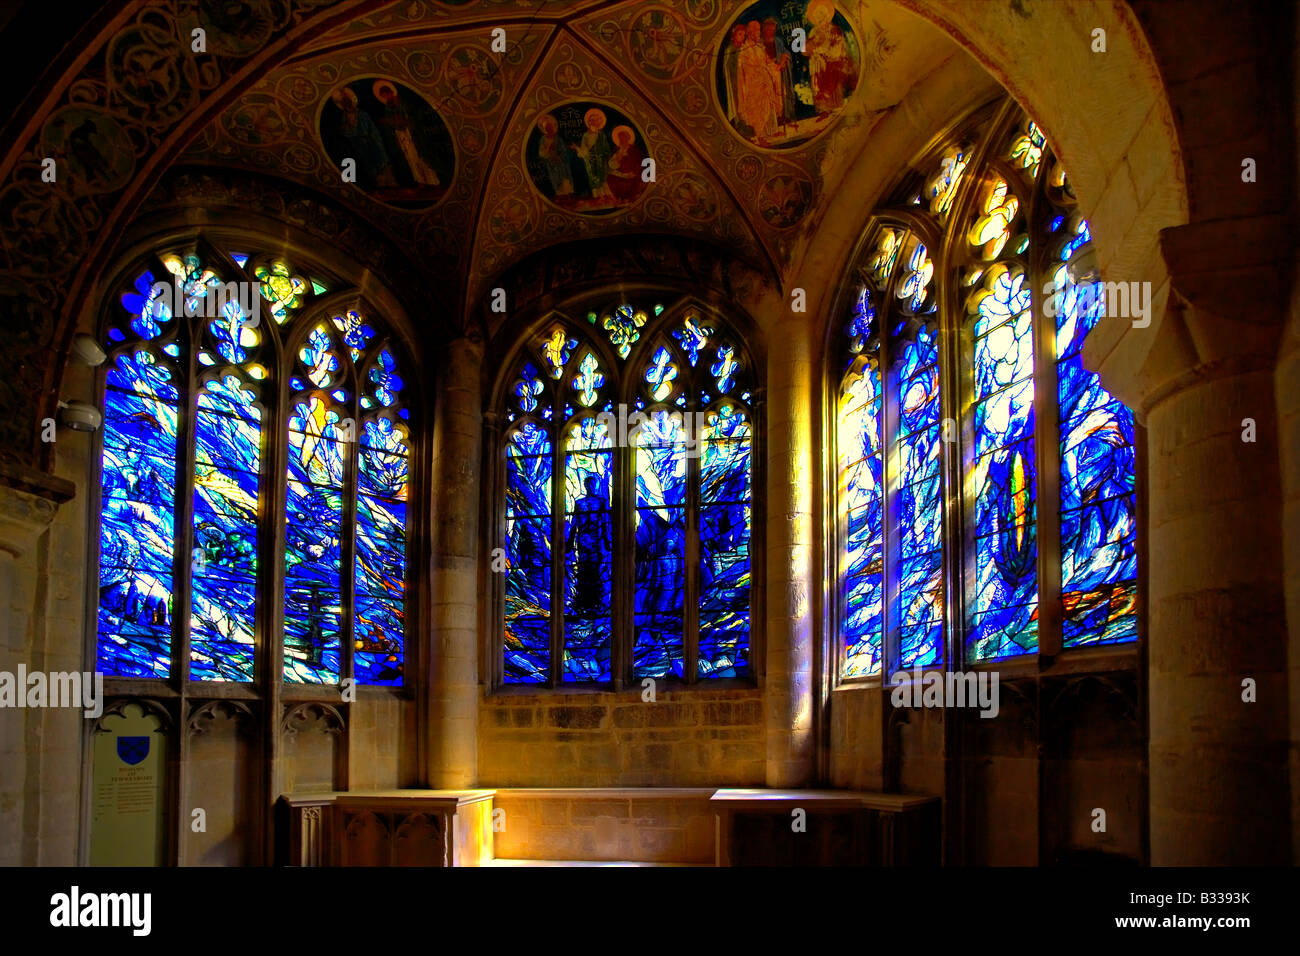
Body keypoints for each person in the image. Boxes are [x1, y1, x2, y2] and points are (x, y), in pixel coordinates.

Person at [373, 80, 440, 187]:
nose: (386, 98)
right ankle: (421, 181)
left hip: (411, 134)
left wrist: (401, 122)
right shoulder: (388, 107)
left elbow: (410, 118)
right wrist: (391, 122)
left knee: (420, 157)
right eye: (384, 96)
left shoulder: (400, 102)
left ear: (390, 92)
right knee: (411, 160)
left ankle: (432, 181)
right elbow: (392, 121)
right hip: (401, 135)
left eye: (386, 95)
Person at [330, 87, 396, 188]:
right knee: (370, 170)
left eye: (348, 101)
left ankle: (390, 185)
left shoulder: (362, 115)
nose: (346, 104)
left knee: (382, 166)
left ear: (351, 101)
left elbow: (366, 131)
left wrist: (353, 134)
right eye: (344, 102)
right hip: (359, 147)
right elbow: (344, 131)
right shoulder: (344, 118)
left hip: (372, 144)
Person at [567, 475, 609, 615]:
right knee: (583, 568)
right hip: (583, 539)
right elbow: (574, 522)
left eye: (593, 484)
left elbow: (604, 522)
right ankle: (583, 602)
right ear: (585, 486)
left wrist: (607, 540)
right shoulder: (579, 503)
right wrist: (570, 541)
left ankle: (595, 602)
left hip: (595, 538)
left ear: (595, 485)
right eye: (588, 484)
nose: (590, 486)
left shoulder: (600, 501)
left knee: (595, 569)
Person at [806, 0, 857, 113]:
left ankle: (836, 109)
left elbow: (837, 50)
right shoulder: (814, 31)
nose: (819, 18)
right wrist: (814, 50)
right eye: (816, 15)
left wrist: (822, 51)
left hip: (833, 66)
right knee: (820, 91)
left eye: (821, 15)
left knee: (833, 90)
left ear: (826, 15)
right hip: (819, 67)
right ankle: (823, 111)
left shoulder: (834, 30)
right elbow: (808, 48)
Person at [736, 19, 781, 140]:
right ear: (750, 33)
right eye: (756, 31)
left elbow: (766, 61)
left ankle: (771, 131)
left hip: (765, 82)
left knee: (769, 107)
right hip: (754, 86)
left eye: (759, 31)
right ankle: (761, 136)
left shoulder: (759, 47)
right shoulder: (745, 50)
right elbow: (747, 71)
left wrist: (774, 67)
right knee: (759, 110)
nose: (759, 33)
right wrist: (762, 72)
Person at [572, 108, 613, 201]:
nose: (594, 122)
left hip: (601, 160)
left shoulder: (601, 135)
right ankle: (597, 197)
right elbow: (584, 149)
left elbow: (606, 148)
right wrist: (577, 149)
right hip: (591, 160)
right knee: (593, 178)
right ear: (589, 122)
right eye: (592, 120)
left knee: (603, 177)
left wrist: (607, 156)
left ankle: (605, 196)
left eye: (596, 120)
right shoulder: (586, 135)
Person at [534, 114, 572, 197]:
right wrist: (548, 153)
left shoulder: (557, 138)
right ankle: (560, 196)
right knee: (555, 179)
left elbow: (563, 150)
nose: (549, 128)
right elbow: (541, 152)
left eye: (550, 126)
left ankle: (567, 195)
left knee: (564, 179)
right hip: (551, 163)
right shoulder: (543, 139)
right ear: (545, 129)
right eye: (547, 127)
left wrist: (560, 156)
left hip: (560, 162)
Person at [606, 125, 644, 203]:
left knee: (628, 183)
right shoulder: (618, 150)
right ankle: (619, 197)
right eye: (620, 138)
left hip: (631, 173)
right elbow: (612, 164)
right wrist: (617, 159)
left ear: (628, 138)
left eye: (623, 137)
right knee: (610, 177)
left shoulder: (634, 150)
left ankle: (627, 197)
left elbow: (639, 163)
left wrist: (633, 173)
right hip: (620, 173)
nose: (621, 139)